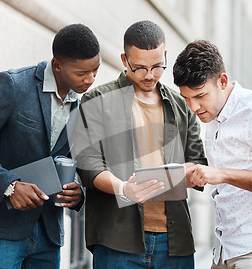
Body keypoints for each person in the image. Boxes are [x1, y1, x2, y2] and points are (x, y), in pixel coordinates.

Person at [0, 23, 100, 269]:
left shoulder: (84, 105)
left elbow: (77, 159)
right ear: (57, 65)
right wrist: (9, 186)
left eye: (95, 70)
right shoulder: (13, 85)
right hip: (3, 227)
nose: (90, 79)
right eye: (82, 73)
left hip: (49, 231)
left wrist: (78, 192)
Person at [72, 20, 207, 269]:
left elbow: (197, 161)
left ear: (166, 55)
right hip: (117, 241)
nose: (149, 75)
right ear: (125, 60)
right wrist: (124, 189)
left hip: (175, 243)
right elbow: (87, 162)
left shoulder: (181, 105)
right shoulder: (97, 100)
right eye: (140, 67)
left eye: (157, 66)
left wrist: (188, 174)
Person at [173, 39, 252, 269]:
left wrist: (221, 174)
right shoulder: (214, 117)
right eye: (187, 98)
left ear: (222, 81)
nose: (193, 107)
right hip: (226, 251)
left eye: (200, 95)